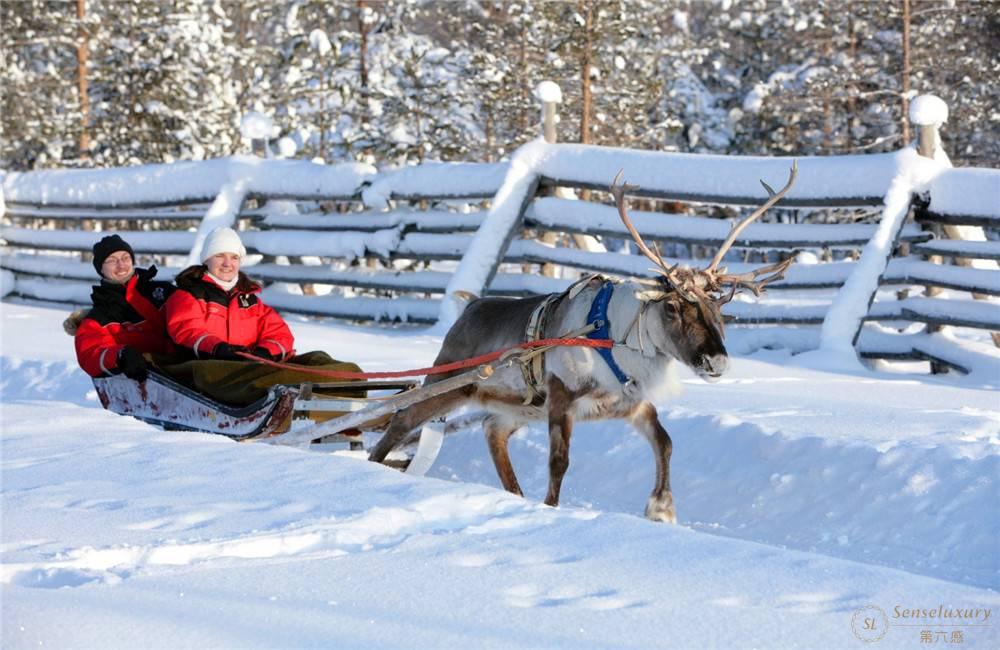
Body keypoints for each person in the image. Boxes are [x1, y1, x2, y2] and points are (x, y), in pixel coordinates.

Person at [162, 227, 364, 408]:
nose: (227, 263)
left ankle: (349, 388)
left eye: (234, 257)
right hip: (209, 367)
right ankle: (321, 388)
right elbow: (187, 330)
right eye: (220, 256)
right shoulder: (188, 295)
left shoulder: (249, 299)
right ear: (207, 259)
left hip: (251, 364)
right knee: (273, 376)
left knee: (317, 358)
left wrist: (266, 352)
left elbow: (279, 333)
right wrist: (219, 348)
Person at [71, 234, 176, 382]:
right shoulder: (101, 315)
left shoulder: (162, 290)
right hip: (157, 377)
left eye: (125, 258)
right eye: (112, 261)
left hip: (191, 358)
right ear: (101, 268)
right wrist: (119, 355)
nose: (121, 265)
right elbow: (89, 354)